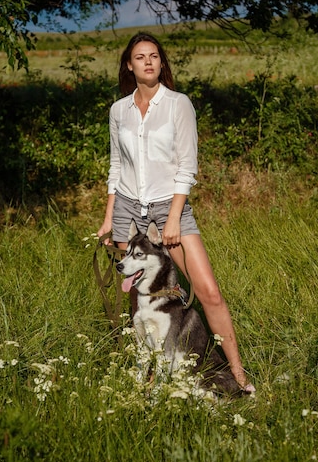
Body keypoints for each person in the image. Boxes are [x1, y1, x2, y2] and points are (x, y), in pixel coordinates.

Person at [97, 32, 255, 393]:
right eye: (140, 57)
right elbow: (116, 165)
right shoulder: (118, 110)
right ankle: (151, 377)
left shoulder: (178, 104)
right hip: (127, 210)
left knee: (208, 291)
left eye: (154, 56)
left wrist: (171, 218)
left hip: (170, 207)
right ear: (129, 64)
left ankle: (237, 376)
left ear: (162, 63)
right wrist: (109, 216)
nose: (148, 62)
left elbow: (187, 167)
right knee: (140, 298)